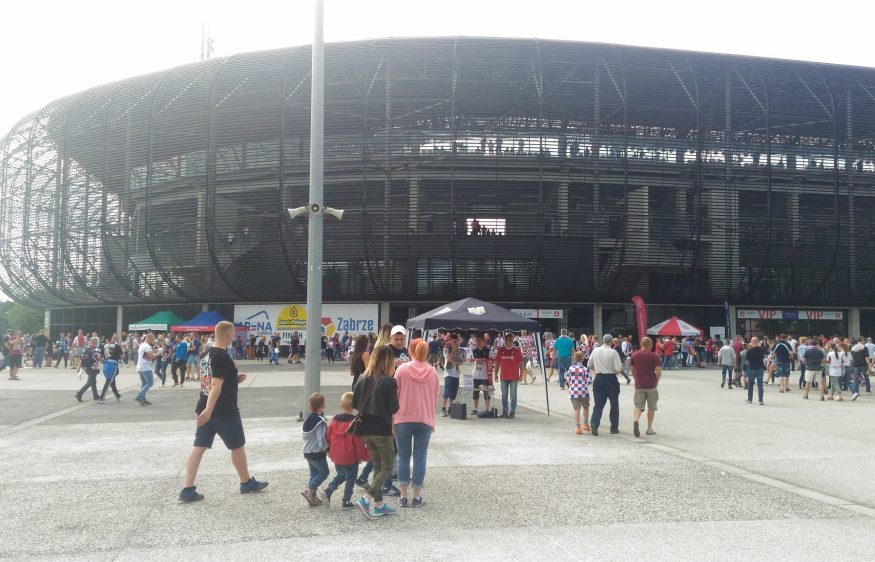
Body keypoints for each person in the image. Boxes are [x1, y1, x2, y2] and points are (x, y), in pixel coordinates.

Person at [178, 321, 267, 502]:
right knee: (237, 445)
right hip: (223, 410)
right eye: (232, 334)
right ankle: (246, 482)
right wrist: (210, 411)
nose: (233, 337)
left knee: (198, 447)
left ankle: (187, 489)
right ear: (227, 335)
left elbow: (210, 381)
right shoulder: (222, 356)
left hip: (204, 408)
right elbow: (216, 386)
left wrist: (234, 378)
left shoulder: (205, 355)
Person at [352, 345, 400, 519]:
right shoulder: (389, 381)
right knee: (387, 465)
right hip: (382, 429)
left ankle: (379, 505)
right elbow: (394, 407)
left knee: (378, 466)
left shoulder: (363, 377)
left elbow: (354, 403)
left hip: (366, 428)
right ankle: (366, 498)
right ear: (387, 361)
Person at [393, 339, 440, 508]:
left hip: (403, 418)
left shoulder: (401, 370)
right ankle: (417, 496)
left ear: (410, 351)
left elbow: (395, 396)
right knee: (420, 457)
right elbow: (435, 398)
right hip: (424, 418)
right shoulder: (433, 372)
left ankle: (403, 496)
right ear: (426, 352)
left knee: (403, 456)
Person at [319, 391, 370, 510]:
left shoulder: (335, 420)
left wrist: (329, 451)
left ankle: (328, 491)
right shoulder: (355, 423)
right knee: (351, 478)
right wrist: (363, 456)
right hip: (350, 456)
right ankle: (346, 501)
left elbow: (329, 436)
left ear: (341, 405)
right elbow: (358, 443)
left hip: (336, 455)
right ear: (354, 407)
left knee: (341, 474)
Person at [587, 334, 623, 436]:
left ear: (603, 341)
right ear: (611, 342)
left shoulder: (596, 350)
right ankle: (614, 427)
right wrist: (613, 372)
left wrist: (597, 371)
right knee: (614, 404)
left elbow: (589, 365)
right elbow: (618, 369)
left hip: (598, 378)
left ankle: (594, 423)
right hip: (611, 379)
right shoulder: (613, 352)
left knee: (598, 404)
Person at [630, 336, 662, 437]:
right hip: (651, 385)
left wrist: (636, 379)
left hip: (639, 385)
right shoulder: (654, 356)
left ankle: (636, 420)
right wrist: (656, 380)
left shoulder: (634, 355)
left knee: (638, 405)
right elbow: (658, 371)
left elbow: (633, 370)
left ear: (641, 344)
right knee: (651, 407)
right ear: (650, 345)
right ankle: (649, 428)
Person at [301, 392, 329, 506]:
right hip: (317, 453)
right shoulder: (320, 422)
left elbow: (304, 435)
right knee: (324, 472)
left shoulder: (307, 420)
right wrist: (327, 449)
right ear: (323, 406)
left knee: (313, 474)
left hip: (307, 451)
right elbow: (321, 440)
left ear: (309, 405)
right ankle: (310, 489)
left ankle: (312, 497)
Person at [494, 332, 524, 419]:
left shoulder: (517, 350)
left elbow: (521, 364)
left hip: (514, 377)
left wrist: (521, 375)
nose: (510, 342)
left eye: (512, 340)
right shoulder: (501, 350)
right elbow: (497, 363)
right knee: (504, 395)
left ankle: (512, 412)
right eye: (508, 340)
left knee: (513, 395)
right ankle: (505, 411)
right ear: (505, 341)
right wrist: (495, 374)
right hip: (504, 377)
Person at [566, 351, 592, 434]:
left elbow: (567, 379)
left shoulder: (570, 368)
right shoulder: (585, 369)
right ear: (583, 358)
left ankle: (577, 427)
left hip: (573, 391)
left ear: (574, 358)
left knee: (576, 409)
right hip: (583, 391)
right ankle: (585, 424)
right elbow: (589, 381)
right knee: (586, 407)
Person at [440, 333, 463, 417]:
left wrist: (457, 362)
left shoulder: (459, 350)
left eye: (455, 341)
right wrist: (453, 349)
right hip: (448, 373)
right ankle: (443, 408)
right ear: (450, 341)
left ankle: (450, 407)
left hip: (456, 373)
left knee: (454, 392)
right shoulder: (446, 348)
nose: (454, 343)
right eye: (452, 341)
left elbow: (462, 361)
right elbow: (448, 359)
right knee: (447, 390)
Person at [470, 334, 492, 415]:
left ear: (484, 342)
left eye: (480, 341)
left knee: (486, 392)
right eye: (477, 341)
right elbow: (469, 359)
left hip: (485, 375)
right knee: (475, 393)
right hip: (476, 375)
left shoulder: (488, 350)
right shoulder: (473, 350)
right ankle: (475, 409)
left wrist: (484, 359)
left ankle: (487, 409)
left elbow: (492, 359)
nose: (478, 343)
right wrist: (474, 360)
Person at [74, 337, 101, 402]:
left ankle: (95, 396)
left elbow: (82, 358)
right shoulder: (97, 349)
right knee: (90, 382)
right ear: (96, 342)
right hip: (93, 368)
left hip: (86, 367)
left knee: (93, 381)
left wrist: (80, 367)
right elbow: (99, 358)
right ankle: (79, 393)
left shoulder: (86, 348)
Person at [98, 335, 123, 403]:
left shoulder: (105, 346)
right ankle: (101, 397)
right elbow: (121, 356)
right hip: (112, 366)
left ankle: (117, 395)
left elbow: (99, 356)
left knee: (112, 381)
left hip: (106, 365)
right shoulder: (117, 346)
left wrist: (104, 361)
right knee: (109, 381)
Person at [744, 337, 767, 406]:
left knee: (750, 385)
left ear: (751, 342)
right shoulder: (762, 350)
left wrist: (746, 369)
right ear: (758, 342)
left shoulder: (749, 350)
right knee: (760, 385)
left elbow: (746, 362)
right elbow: (769, 353)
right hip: (760, 368)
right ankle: (760, 400)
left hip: (751, 369)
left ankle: (750, 399)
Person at [135, 333, 156, 406]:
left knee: (144, 383)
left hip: (140, 366)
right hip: (145, 367)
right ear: (150, 338)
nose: (153, 341)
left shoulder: (142, 345)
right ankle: (139, 395)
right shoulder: (147, 346)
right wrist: (158, 353)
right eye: (153, 339)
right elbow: (151, 356)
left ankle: (142, 399)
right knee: (150, 383)